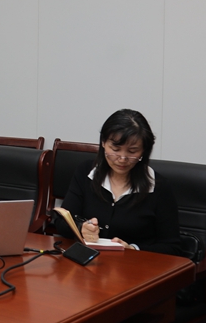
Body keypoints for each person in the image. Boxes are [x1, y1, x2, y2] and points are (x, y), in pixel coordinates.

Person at [54, 109, 182, 255]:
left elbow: (172, 248)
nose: (122, 158)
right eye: (115, 149)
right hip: (88, 262)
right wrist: (80, 227)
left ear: (144, 151)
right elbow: (61, 222)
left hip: (134, 266)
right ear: (103, 143)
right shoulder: (86, 172)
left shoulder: (158, 187)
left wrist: (133, 249)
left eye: (132, 151)